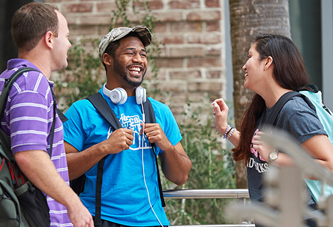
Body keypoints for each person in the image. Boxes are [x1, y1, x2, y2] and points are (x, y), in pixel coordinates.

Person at [63, 25, 192, 227]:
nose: (139, 60)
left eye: (143, 54)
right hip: (99, 219)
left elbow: (181, 177)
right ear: (108, 59)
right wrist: (104, 147)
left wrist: (166, 145)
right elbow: (60, 169)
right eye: (130, 53)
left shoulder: (159, 112)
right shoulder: (82, 111)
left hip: (153, 220)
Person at [212, 34, 333, 227]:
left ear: (267, 62)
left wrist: (274, 156)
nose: (244, 66)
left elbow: (329, 166)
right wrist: (225, 129)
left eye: (250, 56)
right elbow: (258, 150)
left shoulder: (294, 110)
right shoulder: (266, 108)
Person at [0, 2, 94, 227]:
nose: (70, 44)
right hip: (40, 217)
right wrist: (73, 203)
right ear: (49, 39)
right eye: (67, 36)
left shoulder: (7, 79)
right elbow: (29, 153)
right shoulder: (32, 84)